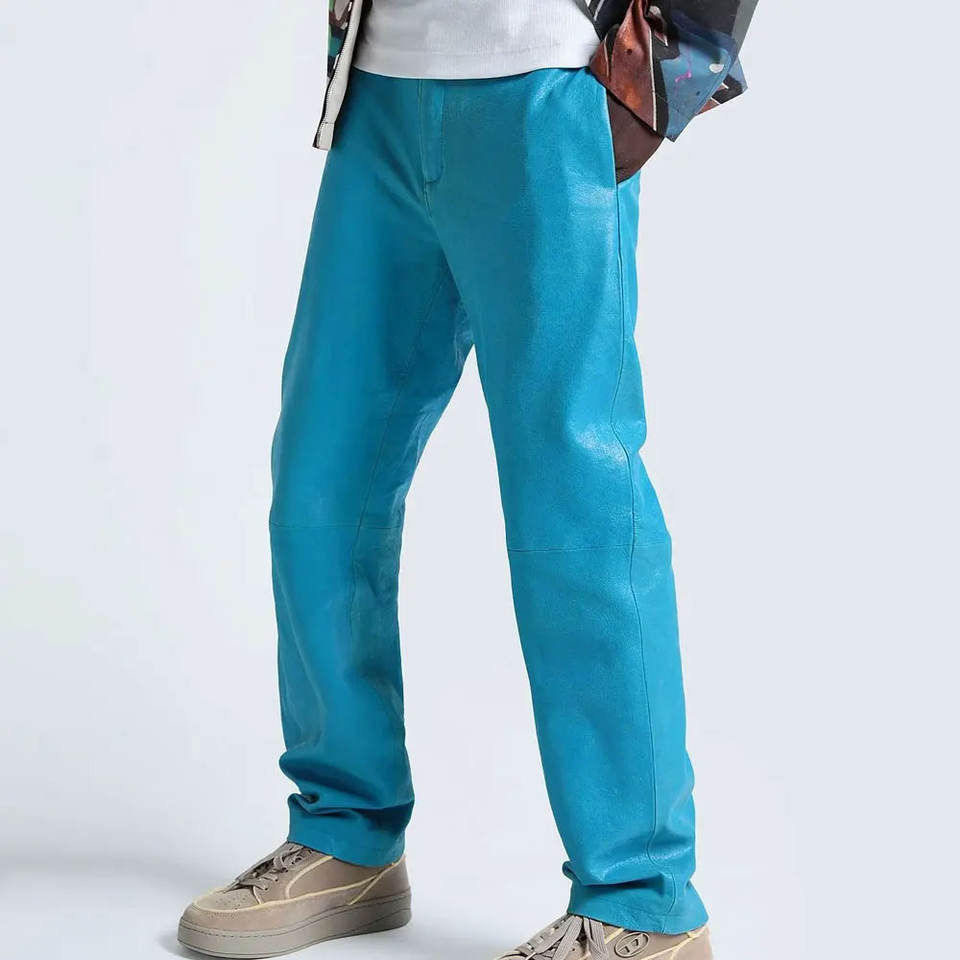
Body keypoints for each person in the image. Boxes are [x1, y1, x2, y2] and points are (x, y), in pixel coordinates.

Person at [177, 1, 757, 957]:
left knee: (575, 499)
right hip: (381, 90)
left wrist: (662, 76)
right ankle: (345, 831)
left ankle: (640, 897)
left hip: (551, 84)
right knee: (322, 481)